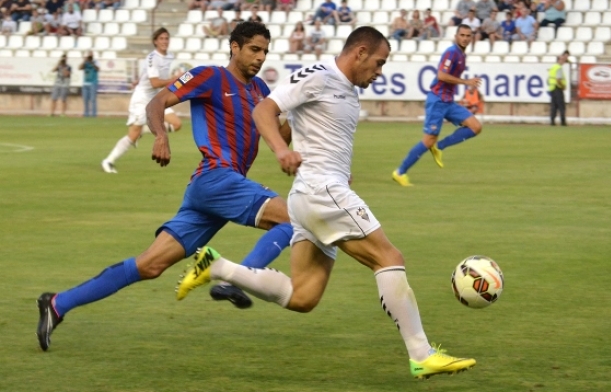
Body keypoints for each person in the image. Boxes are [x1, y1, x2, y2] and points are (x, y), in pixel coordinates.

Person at [174, 26, 477, 380]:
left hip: (312, 196)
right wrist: (282, 150)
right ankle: (421, 354)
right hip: (321, 191)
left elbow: (312, 133)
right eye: (378, 63)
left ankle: (219, 267)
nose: (379, 72)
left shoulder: (347, 90)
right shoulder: (319, 75)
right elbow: (264, 111)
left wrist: (327, 162)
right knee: (389, 258)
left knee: (303, 296)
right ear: (360, 52)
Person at [36, 22, 295, 351]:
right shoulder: (210, 77)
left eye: (265, 52)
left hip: (215, 190)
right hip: (217, 178)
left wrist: (291, 117)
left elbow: (279, 139)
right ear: (234, 47)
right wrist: (160, 135)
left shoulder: (260, 91)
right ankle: (240, 277)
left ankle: (57, 303)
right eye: (254, 49)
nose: (260, 57)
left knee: (150, 265)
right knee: (294, 218)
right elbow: (156, 103)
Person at [393, 25, 482, 186]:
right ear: (456, 36)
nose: (465, 38)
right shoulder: (452, 52)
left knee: (475, 126)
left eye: (468, 35)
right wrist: (465, 82)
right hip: (437, 101)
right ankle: (400, 172)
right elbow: (441, 75)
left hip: (448, 101)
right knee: (428, 140)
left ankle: (440, 146)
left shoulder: (462, 54)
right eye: (462, 35)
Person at [101, 28, 182, 174]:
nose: (164, 41)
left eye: (166, 38)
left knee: (176, 124)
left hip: (156, 98)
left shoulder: (170, 56)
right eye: (161, 39)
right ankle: (108, 161)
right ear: (155, 41)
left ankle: (144, 130)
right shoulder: (152, 57)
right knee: (132, 135)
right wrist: (176, 79)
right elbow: (155, 83)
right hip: (142, 98)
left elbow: (154, 75)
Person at [548, 51, 569, 126]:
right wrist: (563, 86)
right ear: (559, 60)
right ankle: (563, 122)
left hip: (552, 88)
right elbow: (558, 79)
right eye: (562, 60)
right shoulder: (559, 68)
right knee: (561, 106)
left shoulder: (553, 67)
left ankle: (552, 121)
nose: (564, 61)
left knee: (554, 106)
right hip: (558, 88)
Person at [80, 51, 99, 117]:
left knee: (93, 99)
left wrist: (92, 63)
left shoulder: (95, 61)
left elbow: (98, 69)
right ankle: (86, 114)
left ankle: (94, 114)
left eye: (91, 55)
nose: (90, 56)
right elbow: (80, 68)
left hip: (93, 83)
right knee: (85, 100)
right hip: (85, 83)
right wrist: (84, 61)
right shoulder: (85, 62)